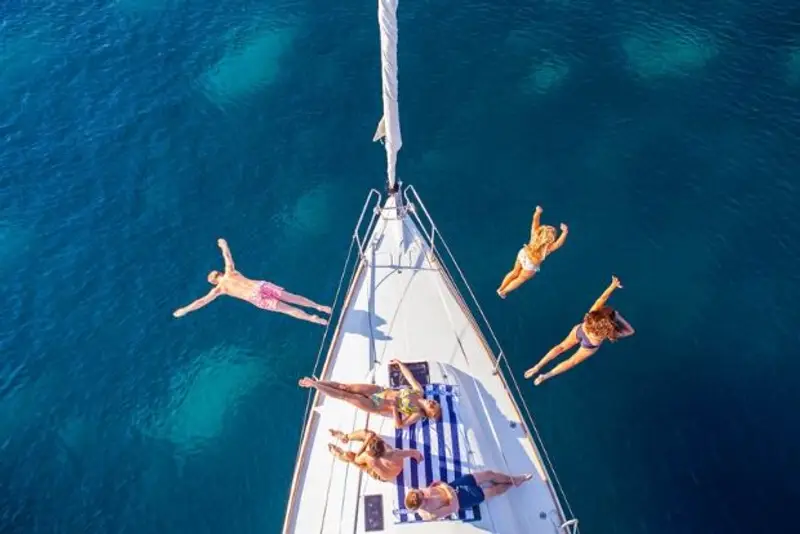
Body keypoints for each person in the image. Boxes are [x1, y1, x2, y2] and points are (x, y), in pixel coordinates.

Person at [172, 238, 331, 325]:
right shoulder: (231, 271)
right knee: (292, 297)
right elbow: (227, 256)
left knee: (288, 310)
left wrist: (184, 310)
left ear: (214, 282)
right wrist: (223, 244)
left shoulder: (220, 289)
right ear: (219, 273)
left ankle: (312, 318)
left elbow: (201, 301)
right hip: (260, 286)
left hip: (254, 297)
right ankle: (319, 307)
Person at [524, 275, 635, 386]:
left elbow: (602, 298)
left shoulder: (593, 313)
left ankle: (537, 367)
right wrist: (617, 316)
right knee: (571, 361)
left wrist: (612, 286)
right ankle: (545, 376)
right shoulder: (607, 332)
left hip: (580, 330)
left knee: (560, 347)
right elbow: (630, 331)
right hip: (590, 344)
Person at [298, 360, 441, 428]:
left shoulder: (416, 413)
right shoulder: (419, 392)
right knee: (344, 386)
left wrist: (394, 409)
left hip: (377, 405)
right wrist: (400, 363)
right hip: (380, 391)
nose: (432, 403)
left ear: (428, 413)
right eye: (435, 403)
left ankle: (314, 384)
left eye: (432, 407)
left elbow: (399, 426)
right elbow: (410, 377)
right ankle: (317, 383)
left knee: (346, 396)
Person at [497, 205, 568, 298]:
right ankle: (503, 291)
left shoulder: (534, 235)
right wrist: (565, 232)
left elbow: (535, 222)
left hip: (523, 253)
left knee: (514, 272)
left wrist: (538, 212)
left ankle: (500, 288)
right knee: (520, 279)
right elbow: (559, 244)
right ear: (551, 239)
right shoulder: (548, 248)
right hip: (531, 264)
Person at [404, 471, 533, 520]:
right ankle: (513, 483)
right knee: (493, 490)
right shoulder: (431, 514)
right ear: (419, 506)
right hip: (463, 499)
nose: (424, 495)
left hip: (455, 486)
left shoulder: (418, 493)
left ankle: (515, 479)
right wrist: (448, 489)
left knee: (488, 474)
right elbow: (454, 508)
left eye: (421, 493)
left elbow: (437, 484)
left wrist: (447, 489)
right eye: (423, 499)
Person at [327, 428, 423, 481]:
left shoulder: (369, 458)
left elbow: (356, 459)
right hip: (393, 470)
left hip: (380, 476)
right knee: (368, 433)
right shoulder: (395, 453)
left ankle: (339, 455)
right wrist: (419, 459)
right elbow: (415, 453)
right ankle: (345, 437)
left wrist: (366, 442)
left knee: (349, 455)